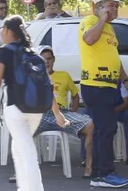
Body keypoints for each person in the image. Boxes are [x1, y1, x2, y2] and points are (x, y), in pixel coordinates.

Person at [0, 16, 69, 191]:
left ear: (9, 31)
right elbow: (47, 87)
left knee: (27, 152)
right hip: (36, 110)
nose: (1, 31)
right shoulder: (34, 54)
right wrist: (57, 113)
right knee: (19, 147)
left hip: (15, 109)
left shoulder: (3, 52)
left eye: (2, 28)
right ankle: (24, 190)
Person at [78, 0, 128, 188]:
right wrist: (101, 19)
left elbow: (114, 58)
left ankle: (102, 172)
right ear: (99, 7)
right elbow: (89, 39)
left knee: (106, 128)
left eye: (116, 5)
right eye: (111, 5)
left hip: (109, 85)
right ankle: (103, 174)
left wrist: (126, 81)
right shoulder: (90, 22)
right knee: (105, 129)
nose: (115, 9)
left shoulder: (110, 29)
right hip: (95, 84)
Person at [38, 47, 95, 178]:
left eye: (49, 58)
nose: (46, 62)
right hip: (42, 114)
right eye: (43, 59)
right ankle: (20, 172)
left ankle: (89, 166)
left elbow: (75, 95)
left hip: (63, 113)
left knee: (90, 125)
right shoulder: (35, 76)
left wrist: (73, 110)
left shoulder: (63, 75)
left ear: (53, 60)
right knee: (21, 128)